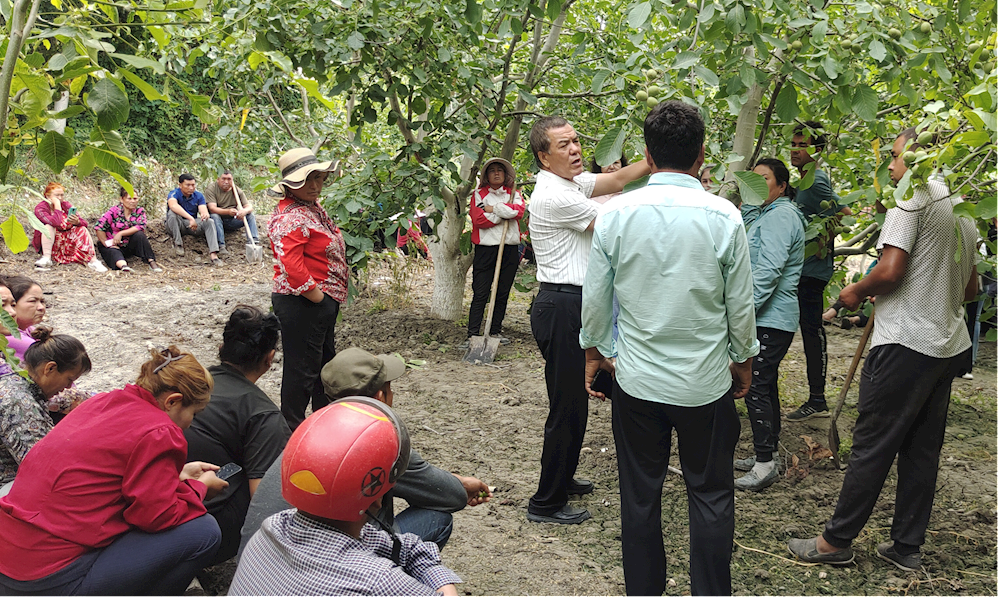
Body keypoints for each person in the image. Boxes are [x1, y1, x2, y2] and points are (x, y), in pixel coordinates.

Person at [579, 101, 758, 596]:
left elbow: (596, 298)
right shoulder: (724, 217)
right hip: (705, 383)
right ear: (702, 155)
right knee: (712, 496)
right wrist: (743, 361)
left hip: (637, 383)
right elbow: (739, 305)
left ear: (647, 155)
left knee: (639, 498)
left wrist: (594, 354)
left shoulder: (616, 215)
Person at [788, 127, 979, 573]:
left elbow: (890, 271)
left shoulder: (911, 195)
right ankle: (906, 546)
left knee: (872, 444)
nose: (891, 168)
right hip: (946, 344)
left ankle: (835, 542)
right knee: (921, 449)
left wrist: (858, 288)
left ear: (921, 159)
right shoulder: (964, 208)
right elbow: (969, 288)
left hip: (906, 343)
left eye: (896, 158)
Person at [0, 346, 226, 595]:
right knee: (204, 531)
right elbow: (155, 517)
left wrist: (175, 476)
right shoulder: (160, 431)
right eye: (194, 413)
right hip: (46, 578)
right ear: (173, 401)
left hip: (8, 556)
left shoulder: (101, 402)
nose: (191, 421)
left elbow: (104, 475)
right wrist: (200, 488)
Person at [239, 347, 490, 556]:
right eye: (390, 388)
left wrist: (452, 480)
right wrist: (456, 485)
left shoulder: (307, 432)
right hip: (322, 568)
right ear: (381, 396)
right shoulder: (376, 443)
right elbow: (449, 497)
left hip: (260, 562)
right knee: (438, 518)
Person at [526, 115, 650, 525]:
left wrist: (655, 159)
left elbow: (616, 181)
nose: (575, 149)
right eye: (563, 145)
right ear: (544, 157)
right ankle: (546, 503)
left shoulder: (568, 183)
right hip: (563, 306)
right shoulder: (554, 196)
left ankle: (562, 479)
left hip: (573, 304)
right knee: (569, 405)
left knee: (578, 397)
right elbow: (615, 228)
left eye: (576, 141)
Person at [230, 397, 462, 595]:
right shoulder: (379, 581)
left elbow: (404, 547)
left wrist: (435, 575)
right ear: (377, 497)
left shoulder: (270, 529)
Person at [184, 305, 289, 564]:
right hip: (201, 528)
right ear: (270, 358)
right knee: (270, 476)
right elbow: (265, 501)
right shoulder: (263, 415)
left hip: (152, 504)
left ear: (222, 349)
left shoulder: (188, 382)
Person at [733, 158, 805, 491]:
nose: (758, 186)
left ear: (782, 185)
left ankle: (764, 464)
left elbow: (769, 271)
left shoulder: (782, 217)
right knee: (766, 383)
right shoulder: (766, 213)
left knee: (757, 386)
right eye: (753, 180)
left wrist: (742, 312)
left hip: (770, 319)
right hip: (769, 318)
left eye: (765, 179)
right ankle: (769, 452)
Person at [267, 147, 348, 431]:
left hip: (316, 301)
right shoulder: (292, 217)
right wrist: (317, 297)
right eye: (307, 181)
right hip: (303, 302)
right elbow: (291, 263)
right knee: (302, 369)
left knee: (321, 363)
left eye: (319, 178)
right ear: (291, 185)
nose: (315, 186)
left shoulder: (309, 207)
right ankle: (292, 429)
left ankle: (321, 422)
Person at [785, 121, 851, 421]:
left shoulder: (816, 181)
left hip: (812, 271)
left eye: (803, 146)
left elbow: (843, 215)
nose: (796, 150)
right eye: (794, 145)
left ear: (818, 150)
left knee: (812, 332)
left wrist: (822, 240)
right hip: (800, 269)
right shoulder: (802, 180)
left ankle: (817, 400)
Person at [0, 328, 91, 490]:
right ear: (49, 368)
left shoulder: (20, 385)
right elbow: (41, 465)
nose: (68, 387)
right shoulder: (19, 400)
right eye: (69, 379)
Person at [464, 158, 525, 346]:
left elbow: (520, 211)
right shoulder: (479, 194)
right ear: (486, 175)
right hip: (486, 248)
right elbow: (479, 219)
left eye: (500, 170)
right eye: (492, 171)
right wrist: (503, 214)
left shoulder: (513, 193)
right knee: (481, 291)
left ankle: (495, 330)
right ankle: (473, 333)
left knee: (502, 291)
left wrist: (494, 209)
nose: (497, 173)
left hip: (509, 248)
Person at [31, 182, 107, 272]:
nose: (60, 198)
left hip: (67, 238)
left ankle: (93, 260)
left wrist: (77, 222)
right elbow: (55, 223)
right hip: (51, 239)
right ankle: (46, 258)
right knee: (48, 227)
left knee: (82, 229)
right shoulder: (40, 208)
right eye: (56, 196)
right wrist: (57, 206)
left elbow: (84, 223)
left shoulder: (66, 205)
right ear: (48, 196)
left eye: (62, 195)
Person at [94, 187, 162, 273]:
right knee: (113, 251)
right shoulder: (114, 211)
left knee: (140, 235)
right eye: (129, 198)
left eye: (135, 198)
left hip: (129, 244)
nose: (133, 201)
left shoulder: (139, 211)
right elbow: (99, 227)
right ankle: (124, 266)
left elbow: (141, 226)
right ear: (122, 199)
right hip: (114, 245)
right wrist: (106, 243)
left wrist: (121, 233)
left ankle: (151, 262)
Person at [165, 173, 223, 266]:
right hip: (176, 224)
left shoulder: (198, 195)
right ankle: (178, 244)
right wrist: (190, 218)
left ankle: (214, 254)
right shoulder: (174, 193)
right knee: (172, 214)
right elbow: (173, 206)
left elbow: (203, 209)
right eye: (188, 185)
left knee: (210, 221)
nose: (191, 188)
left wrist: (204, 215)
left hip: (191, 224)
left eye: (193, 185)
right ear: (180, 185)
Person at [205, 170, 260, 257]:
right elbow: (212, 209)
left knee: (250, 215)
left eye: (229, 179)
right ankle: (221, 246)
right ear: (218, 179)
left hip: (232, 220)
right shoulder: (211, 189)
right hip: (217, 222)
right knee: (214, 216)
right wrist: (228, 211)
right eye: (223, 179)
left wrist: (243, 211)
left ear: (232, 180)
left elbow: (249, 206)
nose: (226, 182)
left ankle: (253, 241)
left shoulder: (237, 190)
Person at [2, 276, 46, 364]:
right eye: (33, 301)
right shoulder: (11, 338)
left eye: (42, 301)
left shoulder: (29, 329)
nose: (41, 307)